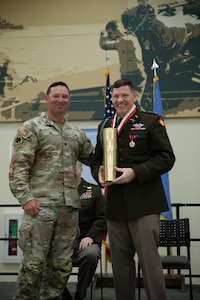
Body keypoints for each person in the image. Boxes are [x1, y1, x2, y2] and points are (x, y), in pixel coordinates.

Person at [90, 78, 175, 300]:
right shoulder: (105, 126)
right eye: (115, 96)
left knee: (150, 263)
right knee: (120, 266)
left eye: (124, 95)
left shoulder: (151, 121)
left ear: (134, 96)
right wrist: (98, 174)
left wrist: (135, 173)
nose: (120, 100)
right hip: (115, 207)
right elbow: (95, 160)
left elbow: (166, 158)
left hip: (145, 204)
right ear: (112, 98)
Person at [9, 81, 94, 300]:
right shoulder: (32, 128)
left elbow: (94, 158)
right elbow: (18, 167)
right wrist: (26, 198)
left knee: (61, 266)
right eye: (56, 96)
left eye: (65, 96)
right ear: (47, 99)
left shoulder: (76, 134)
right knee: (34, 265)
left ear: (69, 100)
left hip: (69, 210)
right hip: (40, 208)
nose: (60, 100)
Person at [62, 161, 107, 300]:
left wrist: (91, 237)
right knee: (45, 256)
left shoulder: (93, 191)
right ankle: (64, 296)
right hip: (61, 243)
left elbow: (103, 218)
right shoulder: (57, 193)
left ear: (80, 170)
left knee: (91, 254)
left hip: (85, 240)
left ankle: (80, 294)